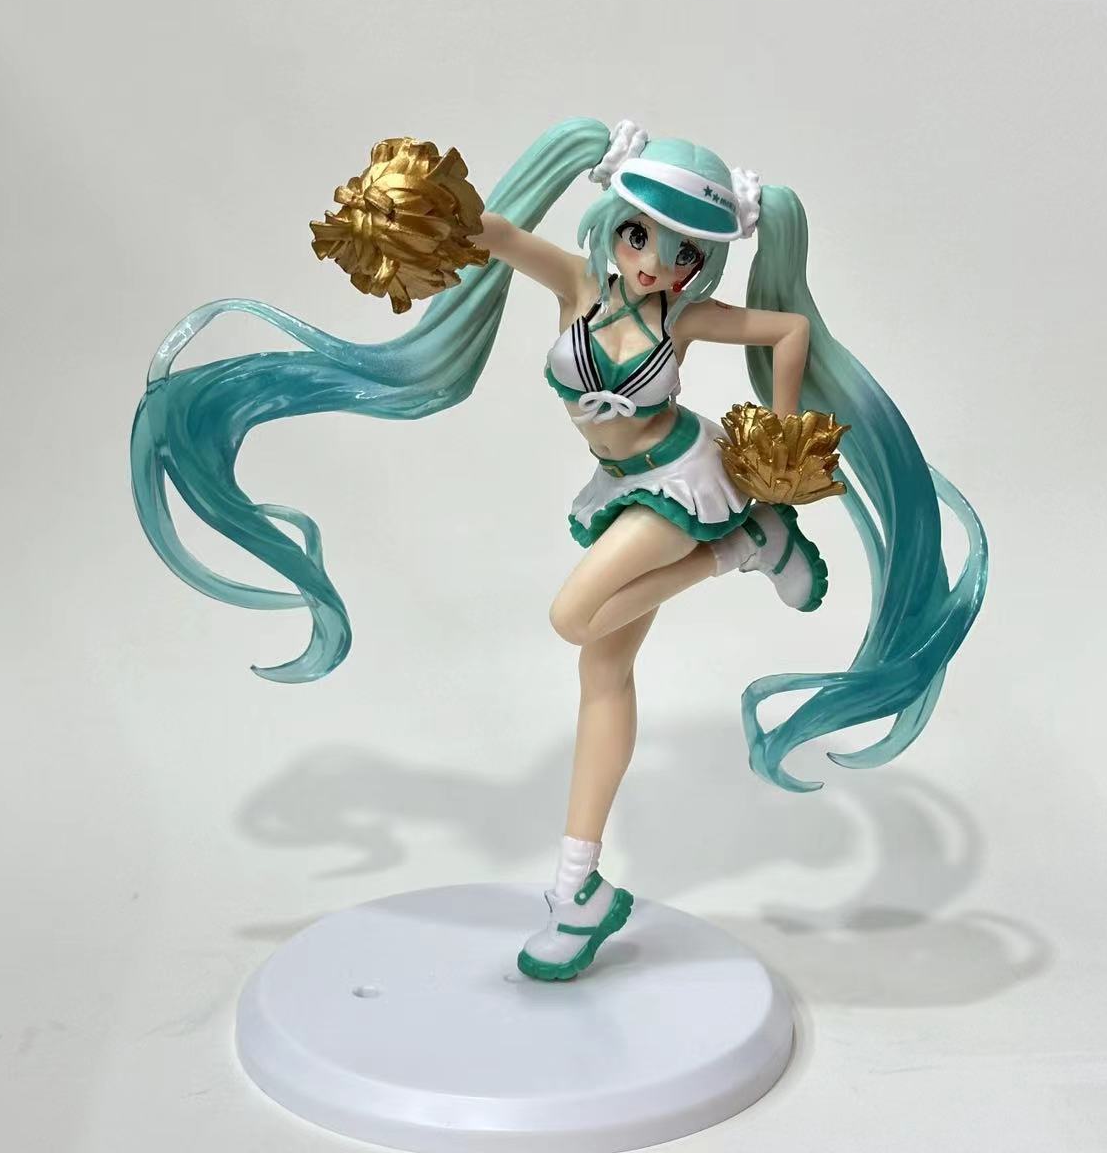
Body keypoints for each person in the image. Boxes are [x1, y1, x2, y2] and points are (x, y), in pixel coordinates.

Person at [130, 117, 987, 982]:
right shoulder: (577, 284)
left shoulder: (686, 319)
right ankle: (579, 890)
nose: (654, 262)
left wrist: (782, 425)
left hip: (684, 480)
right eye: (640, 235)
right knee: (603, 675)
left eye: (682, 253)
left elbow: (788, 330)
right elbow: (495, 233)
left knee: (574, 616)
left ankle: (745, 546)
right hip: (618, 488)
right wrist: (415, 211)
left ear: (700, 265)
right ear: (615, 221)